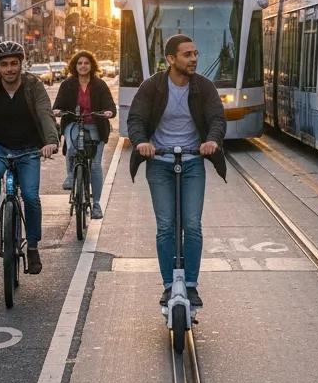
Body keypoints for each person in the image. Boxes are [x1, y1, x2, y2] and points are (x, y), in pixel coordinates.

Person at [127, 34, 226, 308]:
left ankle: (191, 285)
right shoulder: (153, 87)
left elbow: (217, 118)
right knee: (166, 226)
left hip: (193, 161)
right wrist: (142, 143)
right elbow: (135, 119)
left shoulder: (204, 87)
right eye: (187, 55)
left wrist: (212, 141)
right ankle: (169, 285)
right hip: (160, 162)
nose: (194, 59)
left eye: (195, 53)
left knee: (192, 225)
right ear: (171, 59)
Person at [0, 41, 59, 275]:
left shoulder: (33, 85)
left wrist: (51, 141)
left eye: (14, 64)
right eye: (4, 65)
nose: (9, 69)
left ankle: (33, 248)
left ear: (21, 64)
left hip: (29, 147)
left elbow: (45, 112)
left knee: (30, 196)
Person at [53, 49, 116, 219]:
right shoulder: (67, 84)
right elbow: (57, 105)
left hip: (96, 124)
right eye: (79, 63)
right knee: (72, 147)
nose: (83, 66)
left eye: (86, 63)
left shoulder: (100, 84)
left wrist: (109, 112)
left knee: (95, 165)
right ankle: (70, 176)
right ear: (75, 65)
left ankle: (96, 205)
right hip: (74, 122)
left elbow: (110, 105)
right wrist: (58, 111)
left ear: (91, 65)